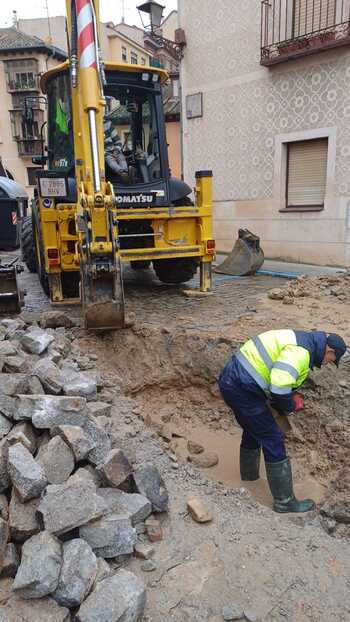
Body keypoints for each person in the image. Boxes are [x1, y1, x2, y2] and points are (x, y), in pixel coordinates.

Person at [218, 330, 347, 513]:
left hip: (235, 379)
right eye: (331, 361)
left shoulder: (303, 339)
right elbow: (279, 388)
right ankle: (284, 502)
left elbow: (277, 375)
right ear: (330, 351)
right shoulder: (302, 353)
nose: (327, 364)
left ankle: (249, 478)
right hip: (242, 386)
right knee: (273, 438)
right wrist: (289, 406)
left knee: (253, 428)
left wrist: (288, 395)